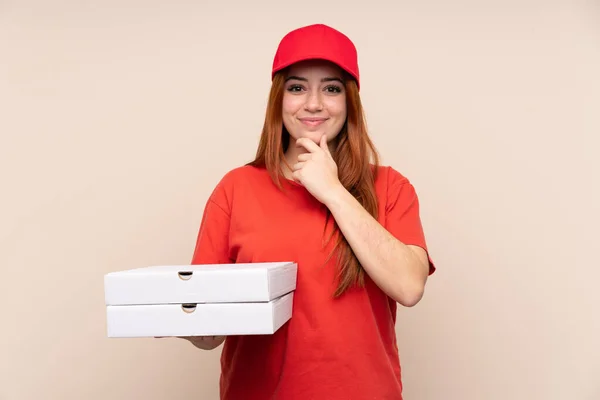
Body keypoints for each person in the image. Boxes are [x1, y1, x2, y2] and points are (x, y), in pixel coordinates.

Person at [181, 23, 435, 400]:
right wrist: (191, 323)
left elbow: (409, 286)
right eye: (297, 87)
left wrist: (332, 191)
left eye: (331, 88)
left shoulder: (390, 187)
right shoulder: (235, 189)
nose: (314, 103)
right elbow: (208, 334)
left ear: (349, 101)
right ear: (278, 100)